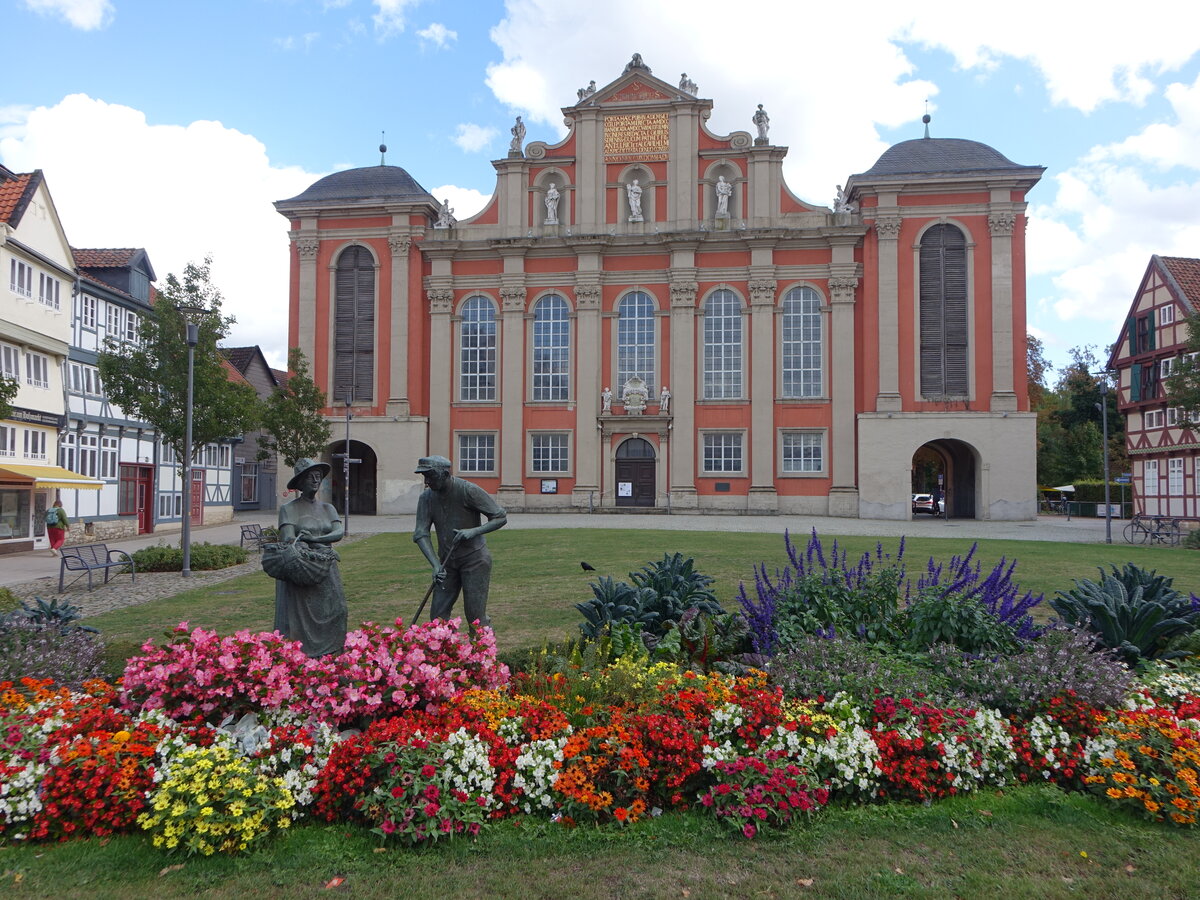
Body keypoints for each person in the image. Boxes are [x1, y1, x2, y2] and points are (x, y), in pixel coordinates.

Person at [412, 455, 508, 633]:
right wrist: (435, 565)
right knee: (437, 617)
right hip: (446, 564)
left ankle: (482, 656)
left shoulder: (468, 490)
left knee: (475, 617)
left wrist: (473, 531)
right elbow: (420, 534)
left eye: (430, 476)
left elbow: (500, 517)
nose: (427, 481)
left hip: (475, 560)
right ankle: (444, 655)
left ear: (445, 474)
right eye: (425, 477)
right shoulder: (426, 498)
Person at [268, 459, 347, 657]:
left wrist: (315, 539)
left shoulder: (328, 508)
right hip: (302, 567)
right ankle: (305, 658)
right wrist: (307, 545)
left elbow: (338, 532)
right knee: (300, 619)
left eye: (318, 475)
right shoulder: (289, 509)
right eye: (310, 475)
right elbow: (288, 538)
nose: (315, 479)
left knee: (338, 610)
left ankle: (332, 654)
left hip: (326, 567)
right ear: (300, 481)